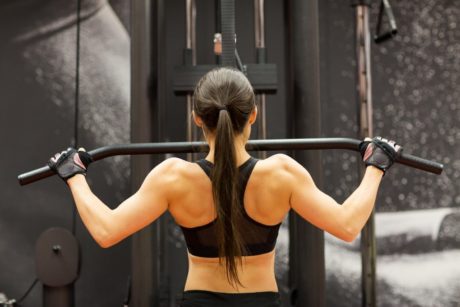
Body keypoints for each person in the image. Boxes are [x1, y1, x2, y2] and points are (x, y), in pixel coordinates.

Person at [48, 67, 401, 307]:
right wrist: (375, 166)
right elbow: (347, 224)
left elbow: (107, 230)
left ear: (197, 117)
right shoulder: (282, 173)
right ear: (253, 115)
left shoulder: (173, 176)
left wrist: (74, 175)